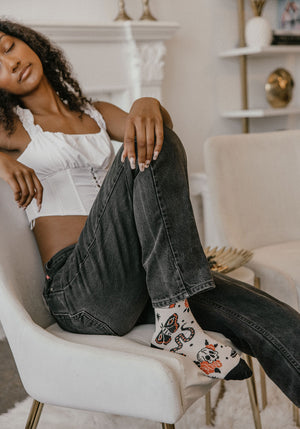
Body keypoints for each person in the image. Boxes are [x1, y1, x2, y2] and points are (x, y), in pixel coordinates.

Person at [0, 19, 299, 406]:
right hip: (80, 292)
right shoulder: (10, 127)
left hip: (140, 281)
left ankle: (174, 313)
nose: (10, 63)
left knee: (274, 320)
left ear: (29, 44)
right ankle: (177, 317)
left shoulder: (97, 112)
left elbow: (160, 133)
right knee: (145, 141)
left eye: (8, 47)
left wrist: (147, 102)